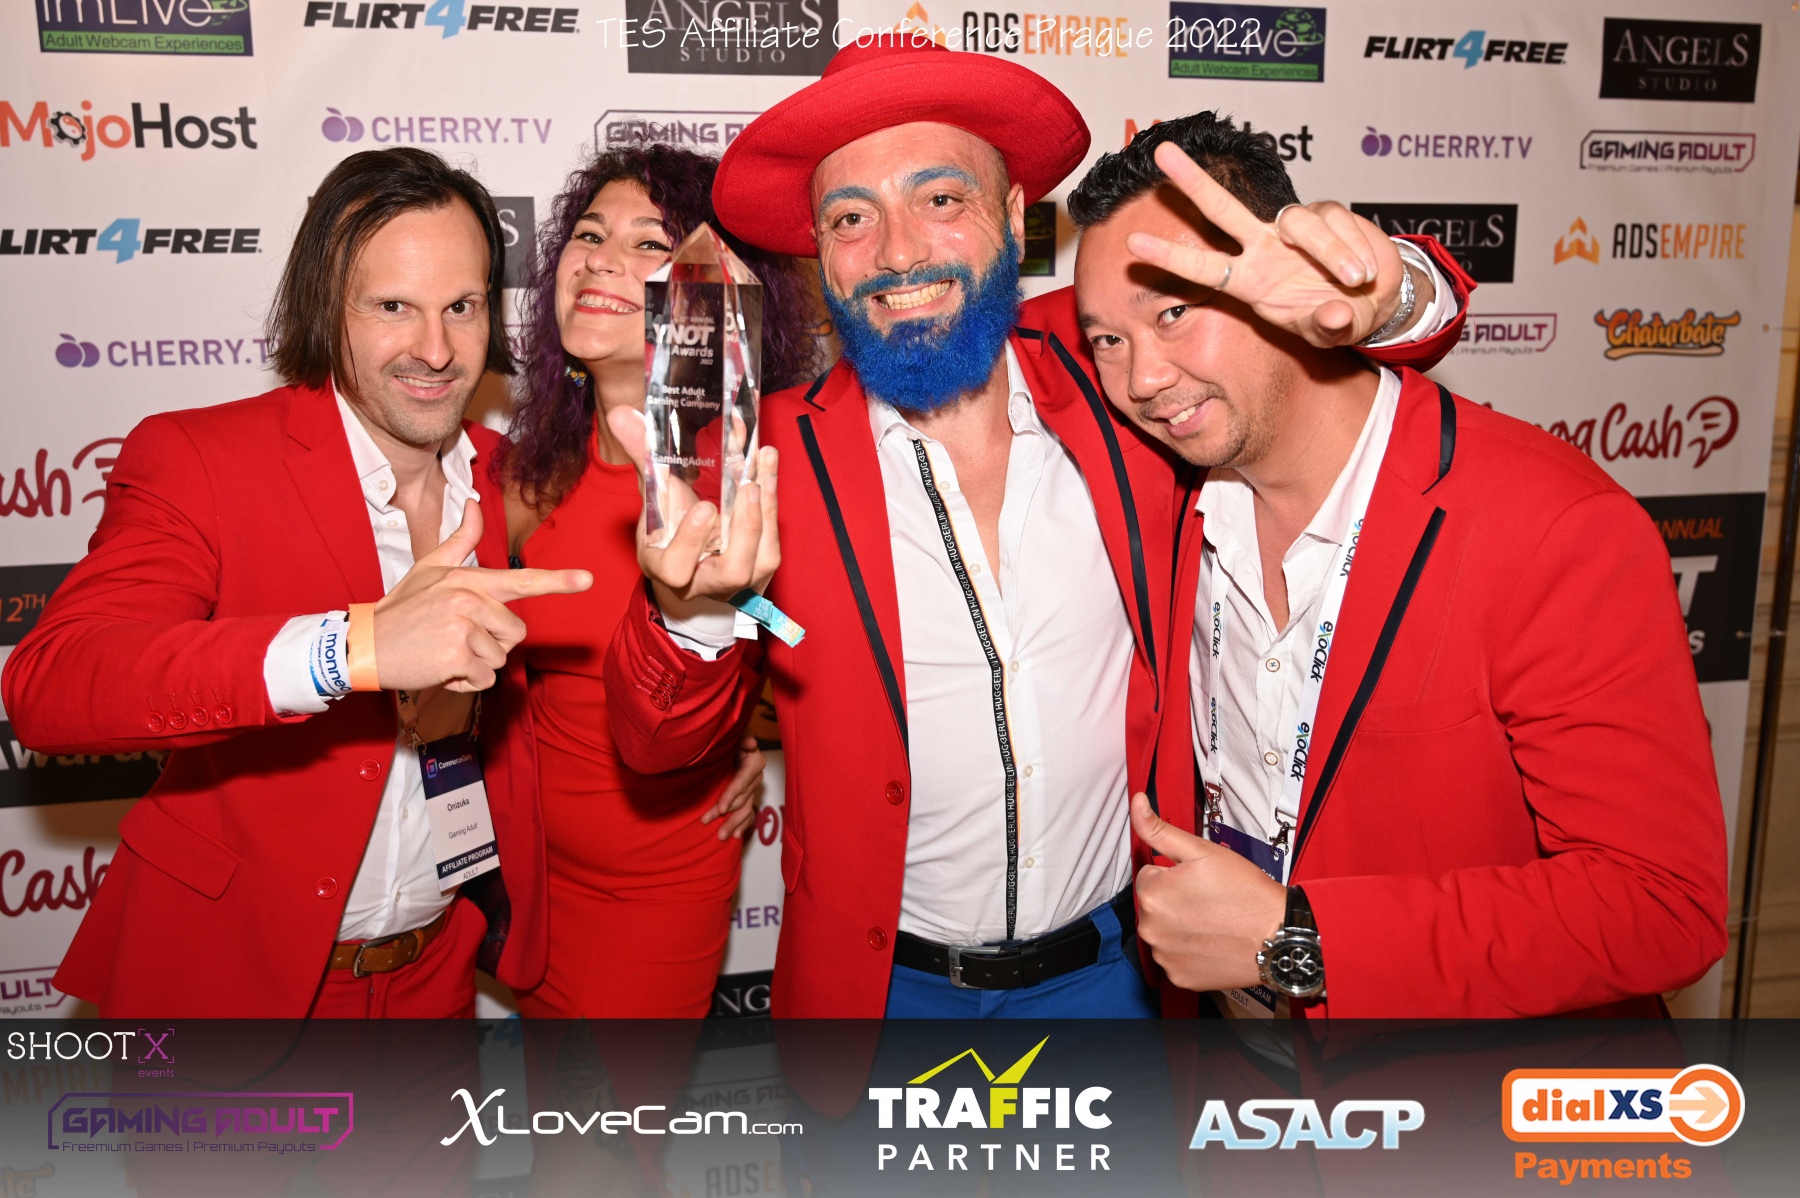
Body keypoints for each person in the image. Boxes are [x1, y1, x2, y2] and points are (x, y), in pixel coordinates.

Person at [602, 37, 1470, 1018]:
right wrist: (693, 614)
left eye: (940, 198)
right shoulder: (766, 458)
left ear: (1014, 216)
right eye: (851, 217)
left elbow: (1391, 340)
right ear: (818, 253)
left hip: (1122, 978)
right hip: (883, 998)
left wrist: (1385, 294)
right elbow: (655, 747)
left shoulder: (1119, 368)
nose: (897, 252)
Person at [1068, 114, 1728, 1017]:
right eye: (1107, 340)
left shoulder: (1551, 528)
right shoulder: (1170, 496)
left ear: (1285, 279)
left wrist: (1301, 941)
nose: (1141, 378)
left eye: (1174, 313)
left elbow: (1661, 908)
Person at [0, 147, 592, 1017]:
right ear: (326, 307)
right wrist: (352, 648)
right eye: (393, 306)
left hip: (434, 979)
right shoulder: (200, 457)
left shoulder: (512, 476)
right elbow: (55, 683)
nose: (436, 349)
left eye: (461, 307)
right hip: (228, 986)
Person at [500, 144, 819, 1019]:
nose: (601, 258)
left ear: (708, 296)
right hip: (521, 873)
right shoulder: (522, 473)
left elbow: (800, 637)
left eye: (650, 243)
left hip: (652, 889)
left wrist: (728, 721)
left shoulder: (755, 482)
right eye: (589, 233)